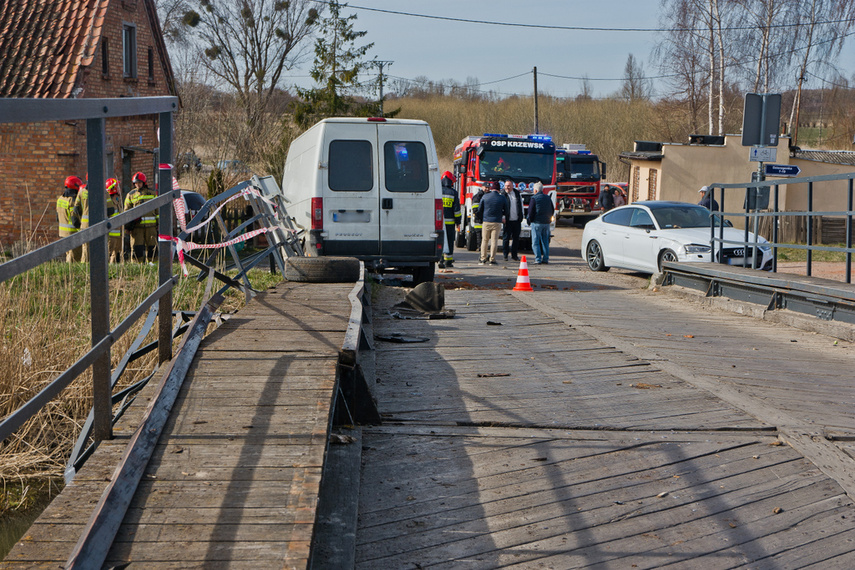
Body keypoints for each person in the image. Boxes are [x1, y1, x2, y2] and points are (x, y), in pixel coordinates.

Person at [124, 171, 158, 262]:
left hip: (151, 227)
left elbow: (157, 210)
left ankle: (153, 265)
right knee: (136, 248)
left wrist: (159, 224)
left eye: (139, 182)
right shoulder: (130, 195)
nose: (138, 185)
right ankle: (137, 267)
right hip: (137, 227)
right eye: (136, 183)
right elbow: (126, 212)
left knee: (152, 248)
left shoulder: (152, 193)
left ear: (144, 182)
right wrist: (127, 226)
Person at [478, 181, 508, 265]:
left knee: (484, 240)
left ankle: (483, 258)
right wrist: (503, 216)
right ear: (499, 189)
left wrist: (482, 218)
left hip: (486, 221)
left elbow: (480, 209)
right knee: (494, 241)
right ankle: (492, 259)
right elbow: (507, 210)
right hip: (497, 221)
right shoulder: (502, 198)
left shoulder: (485, 196)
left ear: (491, 188)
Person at [526, 181, 555, 265]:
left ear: (535, 190)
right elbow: (552, 210)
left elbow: (530, 211)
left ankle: (538, 259)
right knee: (545, 241)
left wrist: (529, 220)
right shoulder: (548, 198)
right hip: (546, 223)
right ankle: (545, 259)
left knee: (535, 242)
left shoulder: (534, 198)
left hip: (537, 222)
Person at [57, 175, 82, 262]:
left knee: (68, 254)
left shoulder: (60, 199)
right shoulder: (71, 200)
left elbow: (58, 218)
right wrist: (81, 229)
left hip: (63, 233)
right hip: (72, 233)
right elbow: (74, 220)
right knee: (74, 257)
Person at [439, 171, 462, 268]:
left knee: (440, 240)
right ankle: (448, 261)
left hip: (438, 222)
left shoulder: (437, 191)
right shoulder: (453, 193)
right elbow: (456, 210)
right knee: (449, 241)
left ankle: (440, 260)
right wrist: (458, 222)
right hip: (450, 222)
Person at [502, 180, 523, 262]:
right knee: (506, 238)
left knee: (516, 239)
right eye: (506, 185)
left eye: (509, 185)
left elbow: (520, 205)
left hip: (516, 220)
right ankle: (505, 255)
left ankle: (514, 255)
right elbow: (501, 207)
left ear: (512, 186)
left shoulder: (517, 194)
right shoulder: (503, 195)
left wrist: (521, 217)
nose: (507, 187)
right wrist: (503, 216)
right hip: (507, 221)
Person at [106, 178, 124, 263]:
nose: (119, 189)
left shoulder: (118, 200)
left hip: (118, 234)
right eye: (118, 187)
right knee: (108, 255)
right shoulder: (108, 202)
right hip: (110, 235)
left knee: (116, 256)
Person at [74, 179, 90, 262]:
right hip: (98, 223)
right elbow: (110, 210)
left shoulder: (81, 192)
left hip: (85, 224)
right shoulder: (103, 192)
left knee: (86, 247)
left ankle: (85, 267)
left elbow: (76, 209)